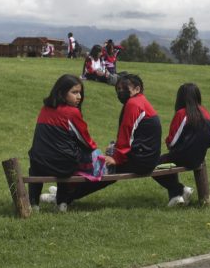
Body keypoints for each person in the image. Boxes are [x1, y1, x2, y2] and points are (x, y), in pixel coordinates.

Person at [58, 73, 163, 208]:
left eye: (124, 88)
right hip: (147, 157)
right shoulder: (141, 101)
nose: (120, 92)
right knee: (105, 165)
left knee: (104, 168)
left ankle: (66, 196)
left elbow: (127, 132)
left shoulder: (133, 103)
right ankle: (68, 193)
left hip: (141, 160)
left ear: (137, 89)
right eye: (118, 89)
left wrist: (116, 158)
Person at [27, 75, 113, 213]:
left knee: (37, 166)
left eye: (80, 93)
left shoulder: (45, 109)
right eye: (74, 92)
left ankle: (34, 205)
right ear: (61, 93)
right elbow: (86, 141)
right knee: (72, 158)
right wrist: (96, 152)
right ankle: (62, 203)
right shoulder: (71, 112)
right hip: (63, 166)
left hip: (39, 162)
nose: (79, 96)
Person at [155, 82, 210, 207]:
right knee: (167, 162)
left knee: (154, 165)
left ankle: (180, 191)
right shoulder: (206, 113)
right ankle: (177, 197)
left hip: (182, 156)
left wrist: (170, 145)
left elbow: (172, 141)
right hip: (199, 157)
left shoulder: (182, 114)